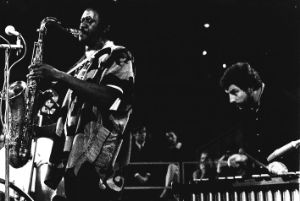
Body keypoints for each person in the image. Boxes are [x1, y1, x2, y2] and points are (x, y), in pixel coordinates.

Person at [28, 4, 135, 201]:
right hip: (72, 171)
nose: (82, 24)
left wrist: (60, 76)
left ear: (105, 28)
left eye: (89, 20)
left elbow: (110, 97)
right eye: (81, 20)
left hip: (97, 172)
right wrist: (37, 130)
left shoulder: (118, 55)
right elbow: (70, 124)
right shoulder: (82, 67)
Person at [219, 62, 298, 176]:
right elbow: (258, 153)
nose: (231, 100)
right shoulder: (245, 111)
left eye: (234, 92)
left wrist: (285, 164)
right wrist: (244, 159)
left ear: (250, 87)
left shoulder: (286, 104)